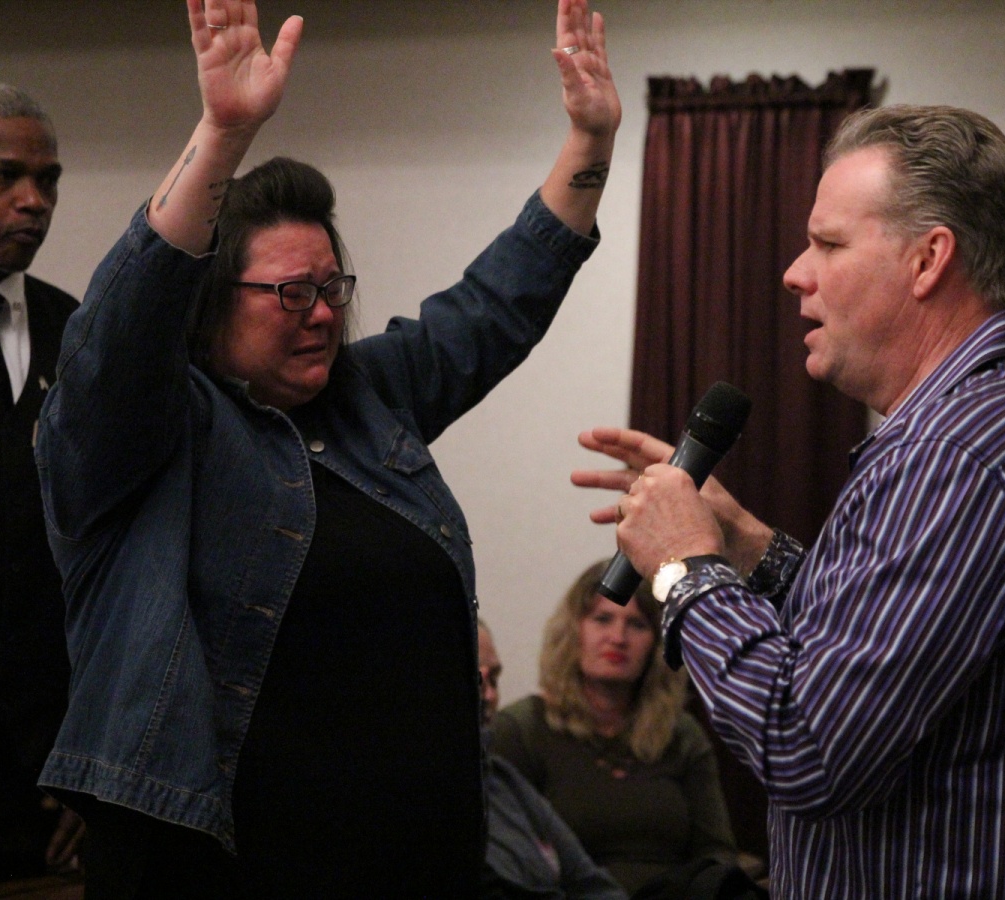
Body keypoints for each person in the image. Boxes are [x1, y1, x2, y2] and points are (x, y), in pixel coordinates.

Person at [34, 0, 619, 895]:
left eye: (331, 287)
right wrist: (224, 135)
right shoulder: (151, 432)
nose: (320, 315)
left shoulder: (363, 398)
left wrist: (589, 141)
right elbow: (121, 332)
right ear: (213, 301)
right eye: (290, 293)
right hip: (221, 870)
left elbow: (496, 304)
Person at [573, 104, 1005, 898]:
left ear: (928, 260)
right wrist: (751, 550)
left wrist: (687, 569)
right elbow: (913, 653)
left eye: (828, 243)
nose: (796, 272)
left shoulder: (954, 457)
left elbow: (808, 745)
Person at [0, 80, 84, 887]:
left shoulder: (80, 334)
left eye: (48, 180)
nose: (33, 201)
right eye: (4, 176)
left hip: (50, 782)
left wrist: (100, 753)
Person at [491, 560, 737, 897]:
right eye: (602, 619)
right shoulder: (520, 730)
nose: (618, 638)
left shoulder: (681, 735)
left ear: (657, 643)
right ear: (573, 630)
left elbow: (717, 854)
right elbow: (510, 865)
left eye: (636, 624)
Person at [478, 619, 627, 900]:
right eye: (475, 679)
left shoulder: (503, 780)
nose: (489, 695)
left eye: (494, 680)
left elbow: (590, 882)